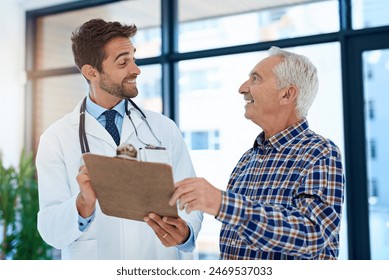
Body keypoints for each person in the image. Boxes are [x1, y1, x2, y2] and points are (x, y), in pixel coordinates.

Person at [36, 18, 202, 260]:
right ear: (91, 72)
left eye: (133, 58)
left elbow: (190, 200)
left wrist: (186, 232)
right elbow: (50, 229)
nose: (136, 69)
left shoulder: (163, 128)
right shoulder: (56, 138)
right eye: (123, 62)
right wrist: (83, 204)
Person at [170, 46, 345, 260]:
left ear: (287, 94)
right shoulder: (247, 160)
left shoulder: (319, 153)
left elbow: (313, 234)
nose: (242, 88)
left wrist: (222, 203)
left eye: (256, 79)